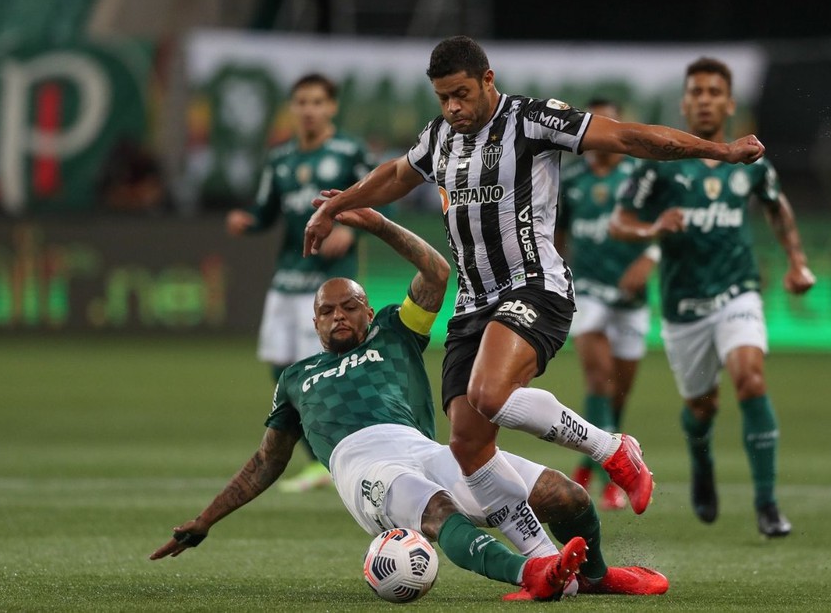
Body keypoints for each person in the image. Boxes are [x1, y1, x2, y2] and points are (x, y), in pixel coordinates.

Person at [303, 35, 766, 550]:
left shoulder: (533, 120)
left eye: (462, 93)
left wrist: (718, 151)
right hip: (472, 305)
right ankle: (542, 562)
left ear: (488, 80)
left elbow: (630, 138)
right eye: (443, 98)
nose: (454, 107)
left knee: (490, 394)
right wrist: (335, 206)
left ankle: (613, 449)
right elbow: (394, 175)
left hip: (534, 288)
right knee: (468, 446)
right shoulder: (439, 137)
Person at [151, 203, 670, 600]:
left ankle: (596, 577)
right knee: (441, 512)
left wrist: (377, 224)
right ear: (314, 323)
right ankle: (534, 572)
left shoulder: (394, 331)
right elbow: (267, 460)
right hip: (363, 467)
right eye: (326, 311)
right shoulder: (296, 377)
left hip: (424, 449)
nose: (338, 317)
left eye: (349, 306)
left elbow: (437, 274)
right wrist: (205, 519)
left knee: (564, 496)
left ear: (366, 308)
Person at [609, 57, 816, 537]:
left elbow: (777, 207)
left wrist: (797, 260)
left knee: (750, 378)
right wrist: (653, 227)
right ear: (684, 103)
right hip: (684, 308)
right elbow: (619, 222)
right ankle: (701, 461)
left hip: (737, 292)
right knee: (702, 406)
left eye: (712, 91)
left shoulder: (750, 162)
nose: (704, 99)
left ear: (729, 102)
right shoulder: (660, 166)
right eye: (696, 91)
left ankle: (767, 504)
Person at [226, 72, 374, 493]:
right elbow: (266, 210)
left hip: (330, 286)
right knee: (281, 369)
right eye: (301, 102)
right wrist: (248, 222)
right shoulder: (280, 159)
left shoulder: (349, 153)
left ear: (332, 107)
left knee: (328, 372)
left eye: (317, 102)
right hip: (287, 279)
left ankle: (344, 455)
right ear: (292, 109)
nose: (309, 110)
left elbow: (376, 196)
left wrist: (353, 230)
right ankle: (318, 462)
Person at [555, 98, 660, 511]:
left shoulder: (640, 177)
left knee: (618, 392)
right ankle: (612, 478)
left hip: (632, 298)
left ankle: (587, 461)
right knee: (599, 380)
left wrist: (649, 258)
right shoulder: (572, 178)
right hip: (589, 290)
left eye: (609, 122)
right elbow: (557, 234)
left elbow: (665, 226)